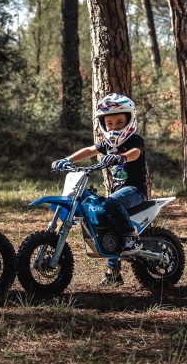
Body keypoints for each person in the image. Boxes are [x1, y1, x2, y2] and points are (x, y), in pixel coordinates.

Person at [51, 93, 149, 287]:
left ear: (129, 119)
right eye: (110, 123)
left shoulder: (134, 141)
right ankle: (113, 273)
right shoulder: (108, 144)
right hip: (118, 192)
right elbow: (89, 151)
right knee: (105, 219)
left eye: (119, 122)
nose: (114, 127)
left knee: (111, 203)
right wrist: (68, 160)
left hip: (135, 190)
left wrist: (121, 157)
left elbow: (135, 153)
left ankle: (131, 237)